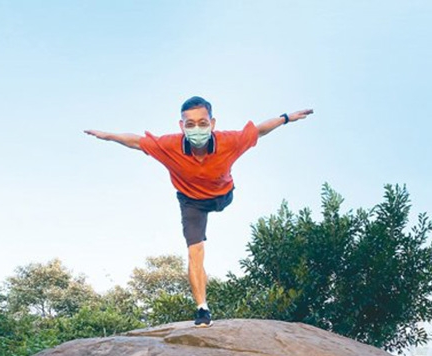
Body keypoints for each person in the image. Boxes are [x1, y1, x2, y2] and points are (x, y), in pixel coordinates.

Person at [84, 96, 313, 327]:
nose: (197, 129)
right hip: (191, 202)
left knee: (221, 202)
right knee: (195, 251)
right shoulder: (169, 145)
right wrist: (108, 136)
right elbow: (135, 141)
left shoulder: (229, 141)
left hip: (222, 195)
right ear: (181, 126)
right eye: (190, 124)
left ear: (212, 124)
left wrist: (286, 118)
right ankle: (202, 309)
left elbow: (261, 130)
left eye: (202, 123)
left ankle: (203, 304)